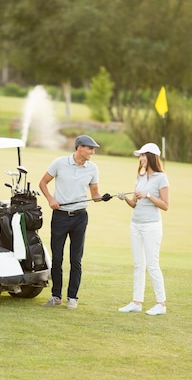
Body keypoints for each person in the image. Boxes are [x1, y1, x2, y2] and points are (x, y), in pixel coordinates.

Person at [38, 134, 108, 310]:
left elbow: (95, 195)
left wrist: (103, 198)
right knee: (57, 258)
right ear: (79, 148)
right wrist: (50, 199)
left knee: (76, 259)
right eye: (90, 148)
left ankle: (72, 298)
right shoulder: (59, 163)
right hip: (60, 216)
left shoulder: (93, 168)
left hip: (80, 217)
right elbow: (43, 183)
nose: (92, 152)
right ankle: (55, 296)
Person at [117, 142, 169, 316]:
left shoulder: (162, 178)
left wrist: (148, 195)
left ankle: (161, 304)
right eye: (140, 156)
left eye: (143, 155)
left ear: (152, 157)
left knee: (152, 264)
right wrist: (125, 198)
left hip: (151, 226)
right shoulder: (140, 177)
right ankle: (136, 302)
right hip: (136, 224)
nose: (141, 159)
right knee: (138, 264)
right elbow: (135, 204)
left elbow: (165, 205)